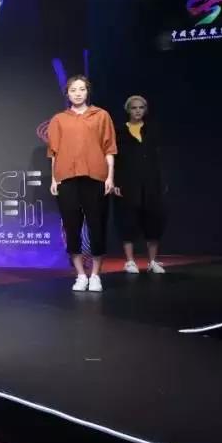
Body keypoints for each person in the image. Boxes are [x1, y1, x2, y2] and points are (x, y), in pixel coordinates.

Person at [47, 75, 117, 292]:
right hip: (67, 178)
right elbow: (54, 153)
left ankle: (95, 275)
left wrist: (110, 177)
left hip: (95, 177)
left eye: (81, 89)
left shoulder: (101, 115)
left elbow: (109, 149)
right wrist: (53, 179)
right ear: (67, 94)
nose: (77, 94)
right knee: (71, 227)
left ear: (88, 91)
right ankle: (79, 274)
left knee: (97, 226)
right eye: (73, 90)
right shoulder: (59, 119)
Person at [114, 95, 166, 274]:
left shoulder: (152, 130)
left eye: (141, 107)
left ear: (145, 110)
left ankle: (152, 261)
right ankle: (130, 261)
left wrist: (161, 181)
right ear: (128, 110)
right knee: (127, 221)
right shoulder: (119, 131)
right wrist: (115, 181)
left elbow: (158, 157)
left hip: (151, 183)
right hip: (127, 183)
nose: (137, 111)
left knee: (153, 221)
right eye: (134, 108)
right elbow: (114, 159)